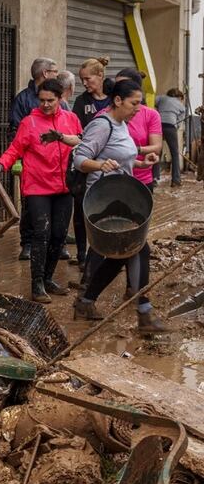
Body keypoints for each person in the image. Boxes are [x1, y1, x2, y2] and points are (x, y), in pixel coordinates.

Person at [72, 79, 168, 332]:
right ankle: (144, 313)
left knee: (120, 254)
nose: (138, 108)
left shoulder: (122, 124)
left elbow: (119, 157)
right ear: (117, 100)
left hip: (121, 196)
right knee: (136, 249)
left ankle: (86, 300)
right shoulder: (102, 125)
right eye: (134, 103)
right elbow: (79, 158)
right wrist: (99, 165)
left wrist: (140, 163)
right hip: (103, 200)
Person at [0, 79, 82, 303]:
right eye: (41, 100)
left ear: (60, 99)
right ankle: (37, 284)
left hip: (64, 187)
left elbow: (83, 143)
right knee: (41, 235)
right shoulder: (29, 122)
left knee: (59, 235)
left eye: (50, 100)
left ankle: (49, 278)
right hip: (36, 187)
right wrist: (1, 165)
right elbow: (15, 148)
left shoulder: (71, 119)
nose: (45, 105)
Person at [10, 58, 61, 262]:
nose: (46, 104)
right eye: (55, 71)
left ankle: (56, 243)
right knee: (29, 205)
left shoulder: (61, 102)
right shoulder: (23, 99)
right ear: (46, 73)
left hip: (54, 167)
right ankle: (28, 243)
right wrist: (18, 159)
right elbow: (15, 131)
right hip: (31, 163)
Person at [69, 57, 113, 268]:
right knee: (80, 208)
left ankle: (103, 251)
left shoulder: (114, 96)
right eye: (81, 79)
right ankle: (81, 253)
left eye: (88, 79)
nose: (85, 83)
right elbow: (77, 131)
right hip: (86, 162)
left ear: (100, 76)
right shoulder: (81, 102)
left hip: (110, 162)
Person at [110, 68, 162, 193]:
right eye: (116, 85)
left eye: (123, 85)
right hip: (112, 180)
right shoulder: (104, 118)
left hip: (142, 179)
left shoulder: (150, 114)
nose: (118, 89)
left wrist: (136, 150)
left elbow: (156, 147)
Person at [156, 88, 187, 187]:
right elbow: (180, 120)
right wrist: (175, 127)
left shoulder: (161, 98)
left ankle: (154, 179)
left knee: (156, 152)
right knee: (174, 153)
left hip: (157, 125)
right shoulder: (181, 105)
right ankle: (176, 180)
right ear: (179, 97)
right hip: (170, 126)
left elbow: (151, 102)